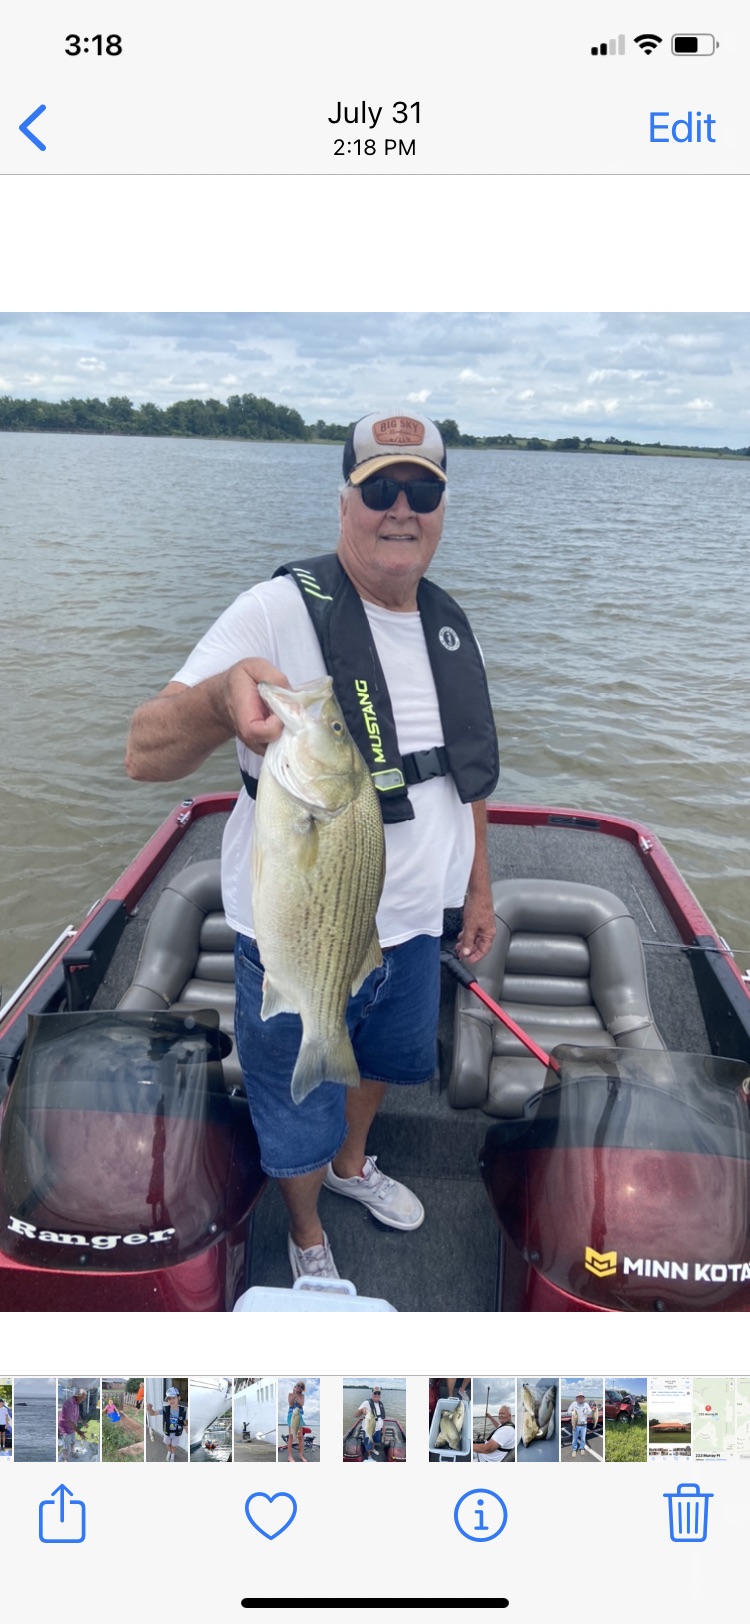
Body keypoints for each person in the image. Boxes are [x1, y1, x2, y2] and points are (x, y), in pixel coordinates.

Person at [125, 410, 499, 1284]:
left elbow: (469, 776)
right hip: (298, 927)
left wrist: (477, 889)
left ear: (443, 510)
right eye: (380, 489)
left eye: (422, 492)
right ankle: (304, 1231)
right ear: (343, 504)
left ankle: (349, 1167)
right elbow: (143, 752)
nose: (400, 509)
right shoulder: (276, 610)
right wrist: (220, 700)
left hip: (414, 926)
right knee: (294, 1100)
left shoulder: (450, 625)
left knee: (379, 1065)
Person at [147, 1385, 186, 1463]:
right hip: (167, 1432)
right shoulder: (165, 1409)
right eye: (169, 1398)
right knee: (167, 1444)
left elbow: (185, 1422)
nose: (171, 1400)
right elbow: (153, 1413)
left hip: (176, 1433)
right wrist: (149, 1409)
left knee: (174, 1446)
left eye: (173, 1397)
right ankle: (169, 1452)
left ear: (179, 1398)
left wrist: (187, 1427)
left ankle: (173, 1454)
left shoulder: (183, 1411)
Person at [58, 1387, 88, 1461]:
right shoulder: (68, 1404)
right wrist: (79, 1432)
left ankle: (72, 1453)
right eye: (82, 1398)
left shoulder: (76, 1403)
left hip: (72, 1426)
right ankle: (65, 1458)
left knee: (73, 1441)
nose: (83, 1400)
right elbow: (69, 1422)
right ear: (78, 1395)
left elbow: (76, 1414)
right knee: (66, 1444)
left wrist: (83, 1421)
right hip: (65, 1427)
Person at [356, 1385, 386, 1459]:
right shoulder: (366, 1402)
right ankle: (369, 1455)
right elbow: (356, 1414)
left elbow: (382, 1417)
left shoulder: (380, 1404)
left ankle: (372, 1449)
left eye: (379, 1393)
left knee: (375, 1441)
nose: (377, 1395)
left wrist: (383, 1426)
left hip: (378, 1429)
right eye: (375, 1393)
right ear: (372, 1393)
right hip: (368, 1429)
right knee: (368, 1443)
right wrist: (362, 1410)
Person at [286, 1381, 306, 1464]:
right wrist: (294, 1394)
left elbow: (301, 1404)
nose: (299, 1387)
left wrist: (297, 1399)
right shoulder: (290, 1394)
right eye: (298, 1385)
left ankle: (301, 1455)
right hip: (292, 1416)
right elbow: (291, 1404)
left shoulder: (302, 1396)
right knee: (291, 1436)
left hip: (299, 1416)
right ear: (295, 1386)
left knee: (300, 1436)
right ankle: (290, 1456)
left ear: (302, 1389)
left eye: (301, 1387)